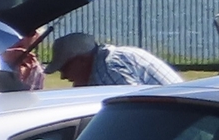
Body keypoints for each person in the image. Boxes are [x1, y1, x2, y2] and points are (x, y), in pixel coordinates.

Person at [50, 31, 182, 87]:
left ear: (82, 61)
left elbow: (130, 112)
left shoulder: (108, 70)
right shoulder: (106, 62)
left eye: (64, 68)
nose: (63, 76)